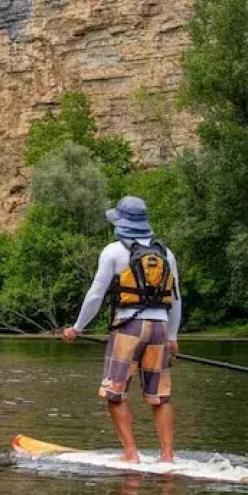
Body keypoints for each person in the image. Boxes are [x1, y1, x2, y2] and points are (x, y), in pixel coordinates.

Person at [63, 196, 182, 463]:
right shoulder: (166, 254)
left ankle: (131, 454)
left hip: (128, 328)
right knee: (160, 397)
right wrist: (172, 337)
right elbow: (176, 299)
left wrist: (77, 328)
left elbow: (95, 295)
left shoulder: (113, 251)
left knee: (114, 393)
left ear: (121, 223)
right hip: (160, 328)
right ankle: (167, 457)